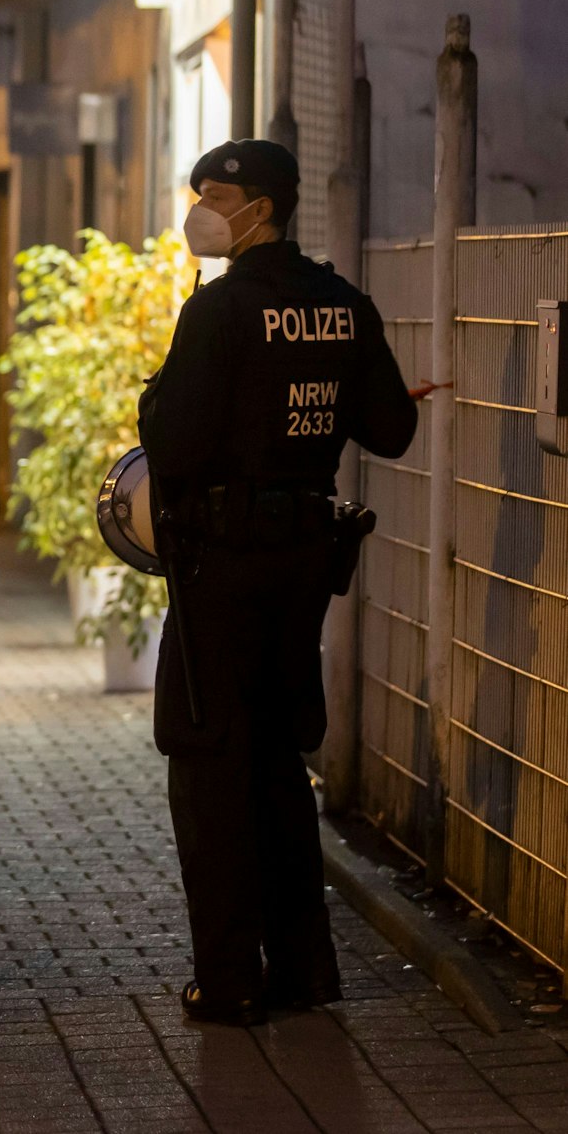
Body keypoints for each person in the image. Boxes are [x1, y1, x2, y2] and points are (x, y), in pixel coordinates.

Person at [140, 139, 418, 1027]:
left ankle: (227, 978)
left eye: (213, 196)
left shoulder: (220, 310)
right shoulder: (343, 304)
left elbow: (174, 446)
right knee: (275, 762)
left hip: (222, 564)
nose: (199, 210)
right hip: (303, 560)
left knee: (207, 761)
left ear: (259, 207)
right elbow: (391, 429)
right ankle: (304, 969)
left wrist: (156, 398)